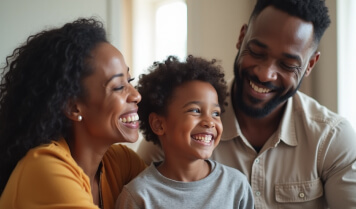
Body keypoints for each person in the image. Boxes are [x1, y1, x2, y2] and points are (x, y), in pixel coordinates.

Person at [136, 0, 356, 208]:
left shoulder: (331, 138)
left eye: (287, 64)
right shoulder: (176, 127)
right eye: (258, 53)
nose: (265, 74)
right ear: (241, 38)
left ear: (309, 65)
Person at [0, 18, 146, 209]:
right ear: (72, 107)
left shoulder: (121, 162)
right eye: (119, 87)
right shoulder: (43, 168)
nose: (136, 95)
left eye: (130, 80)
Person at [115, 55, 254, 209]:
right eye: (195, 110)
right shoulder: (138, 195)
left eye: (215, 113)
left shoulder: (236, 186)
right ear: (159, 124)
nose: (209, 122)